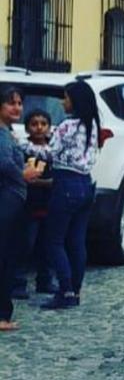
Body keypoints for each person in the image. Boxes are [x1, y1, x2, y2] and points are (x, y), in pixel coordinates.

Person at [41, 80, 101, 311]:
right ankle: (75, 290)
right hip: (86, 184)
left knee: (54, 241)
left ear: (74, 101)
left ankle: (64, 289)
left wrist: (24, 147)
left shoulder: (67, 125)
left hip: (66, 183)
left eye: (65, 97)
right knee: (76, 241)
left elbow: (50, 153)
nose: (62, 102)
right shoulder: (92, 124)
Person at [0, 86, 45, 331]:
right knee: (5, 256)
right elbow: (4, 164)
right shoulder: (2, 135)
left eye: (19, 103)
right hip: (7, 200)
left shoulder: (7, 133)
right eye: (11, 103)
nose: (17, 107)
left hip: (12, 199)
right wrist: (24, 174)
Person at [12, 109, 55, 299]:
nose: (39, 128)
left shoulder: (53, 151)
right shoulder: (23, 149)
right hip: (28, 204)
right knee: (25, 244)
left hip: (49, 204)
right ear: (28, 127)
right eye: (34, 124)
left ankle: (44, 280)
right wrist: (44, 183)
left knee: (47, 245)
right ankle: (18, 282)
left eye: (43, 124)